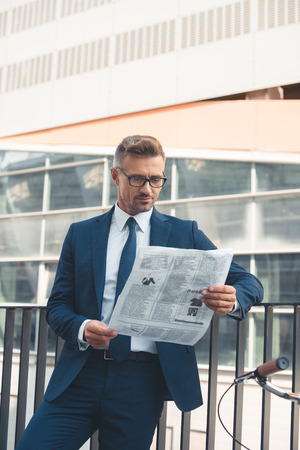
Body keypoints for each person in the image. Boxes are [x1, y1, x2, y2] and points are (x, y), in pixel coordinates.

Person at [17, 135, 263, 450]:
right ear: (115, 176)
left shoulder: (184, 233)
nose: (147, 189)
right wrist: (82, 328)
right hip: (81, 375)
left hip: (141, 381)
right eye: (137, 178)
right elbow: (58, 306)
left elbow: (249, 282)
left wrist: (233, 298)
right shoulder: (81, 234)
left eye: (156, 179)